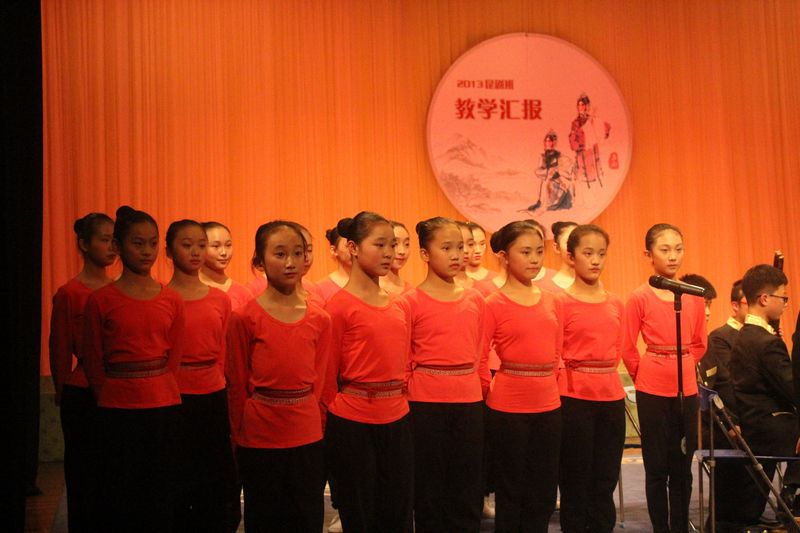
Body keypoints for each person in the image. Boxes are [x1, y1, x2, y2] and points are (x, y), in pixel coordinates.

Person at [83, 205, 185, 532]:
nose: (146, 251)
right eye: (137, 243)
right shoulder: (101, 300)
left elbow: (175, 356)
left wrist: (161, 386)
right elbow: (93, 357)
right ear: (118, 246)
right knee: (122, 488)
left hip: (162, 404)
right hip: (117, 405)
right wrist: (106, 393)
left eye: (153, 243)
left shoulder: (171, 299)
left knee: (160, 486)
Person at [226, 221, 331, 532]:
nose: (290, 262)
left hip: (306, 432)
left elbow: (321, 381)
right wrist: (238, 435)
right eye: (280, 254)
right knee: (265, 516)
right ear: (260, 261)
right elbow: (237, 383)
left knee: (307, 516)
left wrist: (315, 422)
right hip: (260, 433)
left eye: (297, 253)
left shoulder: (320, 318)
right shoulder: (244, 317)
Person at [322, 211, 414, 533]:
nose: (389, 253)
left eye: (393, 245)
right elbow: (327, 376)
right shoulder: (338, 306)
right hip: (353, 423)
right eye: (380, 244)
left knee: (398, 513)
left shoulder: (399, 304)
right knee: (361, 514)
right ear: (353, 248)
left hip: (397, 418)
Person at [622, 223, 707, 533]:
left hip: (686, 389)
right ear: (649, 254)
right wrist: (646, 374)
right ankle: (661, 527)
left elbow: (699, 343)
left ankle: (681, 526)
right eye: (665, 249)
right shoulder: (639, 297)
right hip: (652, 389)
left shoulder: (694, 296)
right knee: (657, 467)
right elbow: (627, 346)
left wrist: (681, 365)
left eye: (678, 249)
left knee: (683, 466)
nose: (673, 256)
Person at [402, 217, 485, 532]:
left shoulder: (475, 299)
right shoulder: (409, 302)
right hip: (425, 403)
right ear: (425, 254)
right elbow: (403, 359)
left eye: (460, 247)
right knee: (430, 487)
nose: (456, 255)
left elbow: (479, 351)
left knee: (467, 486)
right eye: (446, 248)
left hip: (469, 401)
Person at [480, 220, 563, 532]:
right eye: (525, 252)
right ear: (504, 256)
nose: (534, 259)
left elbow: (557, 353)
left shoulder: (553, 300)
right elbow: (479, 357)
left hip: (548, 405)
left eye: (539, 252)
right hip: (507, 407)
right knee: (511, 488)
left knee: (543, 490)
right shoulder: (492, 303)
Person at [165, 219, 237, 532]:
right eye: (187, 245)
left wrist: (220, 382)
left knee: (215, 473)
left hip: (213, 393)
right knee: (178, 473)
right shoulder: (162, 297)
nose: (195, 252)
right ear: (169, 251)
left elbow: (223, 349)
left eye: (200, 245)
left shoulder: (220, 298)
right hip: (174, 395)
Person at [556, 224, 626, 533]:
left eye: (601, 254)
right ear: (571, 257)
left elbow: (618, 348)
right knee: (575, 476)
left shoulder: (615, 303)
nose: (596, 260)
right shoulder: (559, 302)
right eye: (588, 253)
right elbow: (554, 350)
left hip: (610, 396)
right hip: (574, 397)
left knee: (605, 477)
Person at [49, 212, 116, 532]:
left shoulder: (120, 289)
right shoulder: (70, 293)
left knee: (113, 471)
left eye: (115, 240)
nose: (112, 247)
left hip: (118, 388)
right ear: (84, 244)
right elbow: (60, 345)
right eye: (104, 240)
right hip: (83, 390)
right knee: (82, 472)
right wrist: (61, 389)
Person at [729, 264, 798, 526]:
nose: (785, 304)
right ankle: (792, 497)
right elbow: (793, 389)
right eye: (783, 297)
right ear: (764, 299)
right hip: (770, 429)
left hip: (757, 424)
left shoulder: (746, 335)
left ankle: (791, 493)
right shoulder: (765, 342)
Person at [697, 279, 749, 531]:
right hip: (707, 424)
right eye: (703, 305)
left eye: (709, 305)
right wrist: (730, 424)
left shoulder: (707, 343)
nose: (707, 312)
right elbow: (710, 393)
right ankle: (723, 522)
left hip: (727, 418)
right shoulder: (718, 338)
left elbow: (726, 386)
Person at [199, 221, 253, 311]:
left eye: (228, 245)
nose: (224, 252)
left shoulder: (243, 294)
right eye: (216, 246)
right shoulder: (187, 290)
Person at [315, 224, 352, 303]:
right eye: (348, 246)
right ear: (334, 250)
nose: (353, 250)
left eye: (357, 245)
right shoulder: (321, 289)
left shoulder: (374, 283)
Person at [381, 221, 413, 295]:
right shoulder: (369, 288)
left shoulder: (411, 293)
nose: (402, 251)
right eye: (395, 244)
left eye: (406, 244)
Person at [454, 221, 476, 290]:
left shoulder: (483, 288)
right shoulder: (437, 289)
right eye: (460, 245)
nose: (466, 250)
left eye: (470, 244)